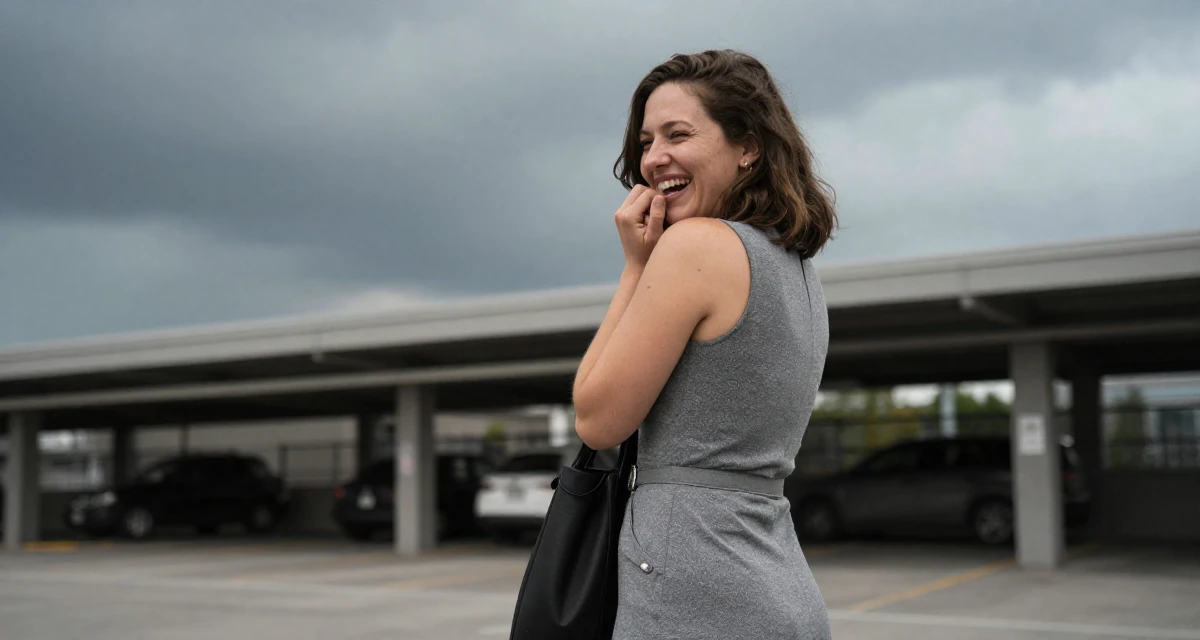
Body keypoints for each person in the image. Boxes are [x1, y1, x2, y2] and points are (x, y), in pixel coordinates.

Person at [570, 49, 838, 639]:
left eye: (678, 134)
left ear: (748, 147)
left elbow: (597, 418)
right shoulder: (795, 269)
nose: (654, 157)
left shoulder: (695, 245)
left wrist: (635, 268)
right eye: (645, 141)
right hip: (776, 579)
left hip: (693, 586)